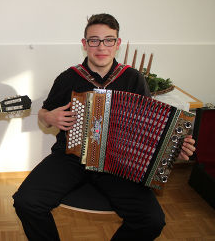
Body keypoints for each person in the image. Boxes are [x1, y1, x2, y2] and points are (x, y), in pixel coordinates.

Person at [12, 13, 196, 241]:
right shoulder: (68, 77)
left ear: (117, 44)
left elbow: (150, 125)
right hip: (70, 157)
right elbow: (42, 114)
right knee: (26, 201)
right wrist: (49, 117)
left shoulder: (133, 79)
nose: (101, 47)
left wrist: (175, 145)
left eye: (109, 40)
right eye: (94, 40)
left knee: (152, 220)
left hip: (118, 164)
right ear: (84, 44)